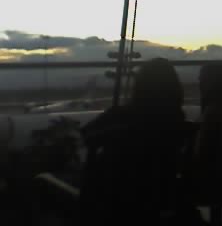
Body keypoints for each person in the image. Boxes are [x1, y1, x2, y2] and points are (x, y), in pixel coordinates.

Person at [76, 58, 198, 225]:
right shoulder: (178, 121)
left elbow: (85, 135)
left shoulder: (119, 116)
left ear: (139, 86)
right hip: (161, 196)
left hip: (114, 200)